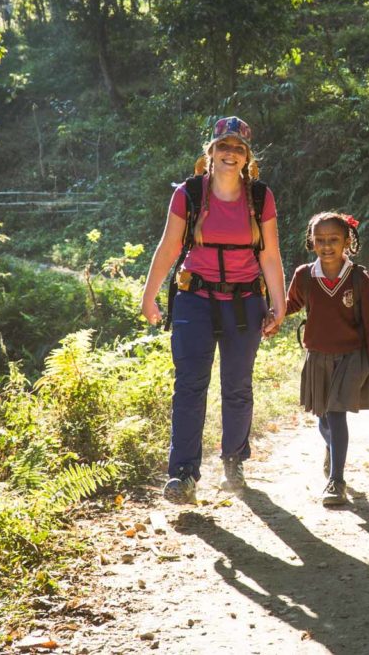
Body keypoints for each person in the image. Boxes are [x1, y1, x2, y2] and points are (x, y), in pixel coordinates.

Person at [141, 116, 287, 504]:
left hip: (244, 302)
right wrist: (149, 294)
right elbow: (169, 246)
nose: (230, 153)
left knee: (237, 386)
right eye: (223, 146)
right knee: (190, 385)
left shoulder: (259, 197)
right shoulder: (188, 194)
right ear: (211, 152)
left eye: (238, 148)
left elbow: (270, 255)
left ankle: (233, 461)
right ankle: (183, 475)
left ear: (247, 157)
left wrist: (279, 302)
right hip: (195, 299)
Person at [285, 212, 369, 506]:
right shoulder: (305, 275)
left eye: (333, 240)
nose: (326, 246)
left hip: (351, 358)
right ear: (311, 242)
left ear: (347, 242)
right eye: (320, 240)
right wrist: (272, 315)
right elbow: (292, 304)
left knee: (337, 413)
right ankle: (332, 449)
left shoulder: (358, 278)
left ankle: (337, 481)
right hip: (318, 356)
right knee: (324, 417)